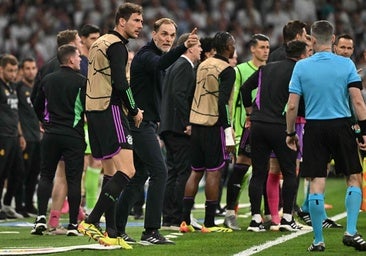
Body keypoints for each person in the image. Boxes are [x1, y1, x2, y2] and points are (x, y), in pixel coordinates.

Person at [115, 18, 199, 245]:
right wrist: (183, 47)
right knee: (160, 172)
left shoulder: (157, 56)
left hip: (148, 123)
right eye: (164, 34)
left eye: (172, 35)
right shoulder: (146, 55)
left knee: (139, 175)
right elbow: (160, 65)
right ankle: (151, 230)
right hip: (139, 124)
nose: (168, 39)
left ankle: (116, 228)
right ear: (153, 34)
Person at [286, 20, 366, 252]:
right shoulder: (346, 64)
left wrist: (290, 133)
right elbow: (358, 101)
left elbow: (292, 106)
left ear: (310, 39)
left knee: (316, 182)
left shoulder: (301, 67)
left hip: (314, 128)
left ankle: (318, 240)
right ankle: (351, 231)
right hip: (342, 125)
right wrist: (363, 130)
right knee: (353, 177)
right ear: (333, 40)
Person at [77, 3, 143, 249]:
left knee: (111, 173)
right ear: (122, 22)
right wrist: (134, 109)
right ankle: (92, 221)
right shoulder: (117, 46)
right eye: (136, 20)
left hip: (94, 111)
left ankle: (112, 232)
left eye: (141, 21)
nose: (140, 26)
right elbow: (120, 83)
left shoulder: (99, 42)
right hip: (111, 109)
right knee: (129, 171)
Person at [243, 40, 308, 233]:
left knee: (258, 173)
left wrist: (249, 113)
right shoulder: (299, 70)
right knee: (289, 172)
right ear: (302, 55)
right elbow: (299, 102)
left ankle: (255, 219)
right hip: (280, 126)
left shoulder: (266, 68)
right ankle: (287, 218)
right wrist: (292, 130)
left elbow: (246, 89)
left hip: (258, 125)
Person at [179, 31, 235, 233]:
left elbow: (189, 94)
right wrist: (228, 132)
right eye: (232, 43)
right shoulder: (227, 70)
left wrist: (188, 120)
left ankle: (184, 220)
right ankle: (209, 222)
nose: (234, 46)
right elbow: (223, 103)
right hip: (213, 125)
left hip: (196, 123)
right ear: (227, 47)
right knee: (214, 171)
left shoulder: (202, 64)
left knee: (196, 172)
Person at [30, 29, 85, 234]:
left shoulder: (47, 79)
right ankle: (72, 224)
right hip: (73, 135)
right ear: (70, 60)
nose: (80, 59)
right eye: (78, 56)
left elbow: (36, 104)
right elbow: (87, 108)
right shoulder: (81, 81)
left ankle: (40, 219)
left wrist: (43, 121)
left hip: (51, 134)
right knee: (73, 178)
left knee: (46, 175)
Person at [224, 33, 270, 231]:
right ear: (252, 49)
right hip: (245, 128)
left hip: (267, 127)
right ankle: (230, 212)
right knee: (241, 169)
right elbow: (232, 100)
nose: (265, 51)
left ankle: (267, 214)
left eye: (267, 47)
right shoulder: (241, 70)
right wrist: (231, 128)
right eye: (261, 47)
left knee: (266, 170)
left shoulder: (271, 70)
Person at [159, 33, 202, 230]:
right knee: (182, 171)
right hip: (178, 127)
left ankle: (168, 217)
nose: (201, 49)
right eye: (199, 46)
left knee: (173, 171)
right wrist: (187, 122)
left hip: (168, 125)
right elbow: (179, 95)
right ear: (190, 47)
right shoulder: (185, 66)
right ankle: (176, 217)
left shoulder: (174, 66)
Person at [78, 23, 102, 215]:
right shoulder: (79, 62)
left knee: (96, 162)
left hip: (94, 116)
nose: (96, 42)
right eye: (93, 39)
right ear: (83, 39)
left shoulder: (93, 60)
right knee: (84, 163)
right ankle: (77, 207)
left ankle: (89, 206)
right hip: (83, 118)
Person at [0, 54, 26, 220]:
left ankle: (8, 204)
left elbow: (15, 113)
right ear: (1, 69)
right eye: (9, 70)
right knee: (1, 173)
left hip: (14, 136)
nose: (13, 74)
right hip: (2, 135)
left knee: (18, 171)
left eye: (15, 71)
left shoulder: (12, 87)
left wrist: (20, 134)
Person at [15, 57, 40, 217]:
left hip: (38, 137)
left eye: (33, 68)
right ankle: (19, 205)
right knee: (21, 173)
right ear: (22, 71)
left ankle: (30, 204)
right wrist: (20, 134)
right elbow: (15, 112)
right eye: (27, 68)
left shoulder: (36, 88)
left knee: (34, 172)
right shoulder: (18, 88)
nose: (31, 71)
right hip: (26, 137)